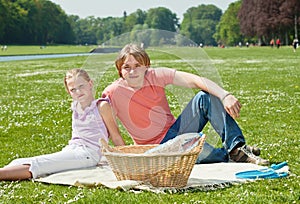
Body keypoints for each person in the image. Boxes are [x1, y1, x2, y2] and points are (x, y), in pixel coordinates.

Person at [102, 43, 269, 166]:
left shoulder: (155, 76)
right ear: (120, 70)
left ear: (146, 66)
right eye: (127, 67)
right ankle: (230, 154)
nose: (132, 71)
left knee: (205, 97)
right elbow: (110, 129)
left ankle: (236, 147)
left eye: (137, 66)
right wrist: (124, 158)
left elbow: (196, 80)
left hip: (176, 132)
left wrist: (225, 95)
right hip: (154, 150)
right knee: (200, 153)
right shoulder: (112, 92)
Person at [0, 68, 125, 181]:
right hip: (73, 149)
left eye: (81, 86)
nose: (78, 91)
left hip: (89, 154)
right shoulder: (75, 106)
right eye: (73, 89)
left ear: (90, 84)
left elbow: (115, 136)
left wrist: (125, 161)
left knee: (42, 164)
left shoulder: (101, 106)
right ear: (68, 92)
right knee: (20, 161)